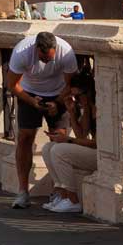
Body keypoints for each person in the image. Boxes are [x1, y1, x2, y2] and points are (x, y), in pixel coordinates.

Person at [6, 29, 78, 208]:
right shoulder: (21, 52)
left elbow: (71, 84)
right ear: (36, 49)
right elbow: (12, 85)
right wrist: (32, 101)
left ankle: (59, 192)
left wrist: (57, 102)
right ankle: (23, 191)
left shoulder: (66, 52)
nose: (47, 62)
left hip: (59, 92)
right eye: (43, 59)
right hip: (28, 92)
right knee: (25, 137)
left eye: (50, 59)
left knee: (59, 139)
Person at [40, 71, 97, 214]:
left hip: (103, 157)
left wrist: (69, 140)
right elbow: (82, 135)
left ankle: (73, 200)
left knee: (59, 151)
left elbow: (98, 144)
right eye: (74, 96)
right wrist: (72, 112)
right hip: (94, 152)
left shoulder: (100, 109)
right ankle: (62, 195)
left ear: (88, 92)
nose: (76, 100)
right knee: (48, 147)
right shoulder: (87, 108)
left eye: (77, 96)